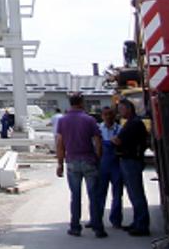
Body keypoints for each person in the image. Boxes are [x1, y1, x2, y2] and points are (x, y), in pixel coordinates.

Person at [54, 92, 105, 238]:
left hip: (72, 161)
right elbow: (98, 142)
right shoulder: (89, 120)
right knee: (93, 195)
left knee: (75, 196)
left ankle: (75, 227)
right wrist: (98, 159)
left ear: (70, 103)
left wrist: (60, 164)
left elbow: (60, 143)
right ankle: (98, 227)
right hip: (88, 159)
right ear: (81, 103)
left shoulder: (63, 121)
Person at [113, 98, 151, 237]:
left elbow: (118, 140)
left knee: (136, 194)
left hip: (131, 160)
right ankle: (137, 222)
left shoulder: (133, 124)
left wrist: (113, 140)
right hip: (131, 160)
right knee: (133, 193)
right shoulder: (133, 123)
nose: (119, 112)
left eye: (121, 109)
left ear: (129, 109)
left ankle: (142, 224)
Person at [89, 105, 124, 230]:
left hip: (116, 165)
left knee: (117, 194)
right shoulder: (98, 129)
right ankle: (96, 219)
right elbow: (94, 146)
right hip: (102, 165)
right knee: (99, 193)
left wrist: (120, 143)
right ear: (102, 116)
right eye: (105, 114)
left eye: (110, 114)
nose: (108, 117)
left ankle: (116, 220)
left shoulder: (120, 129)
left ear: (115, 115)